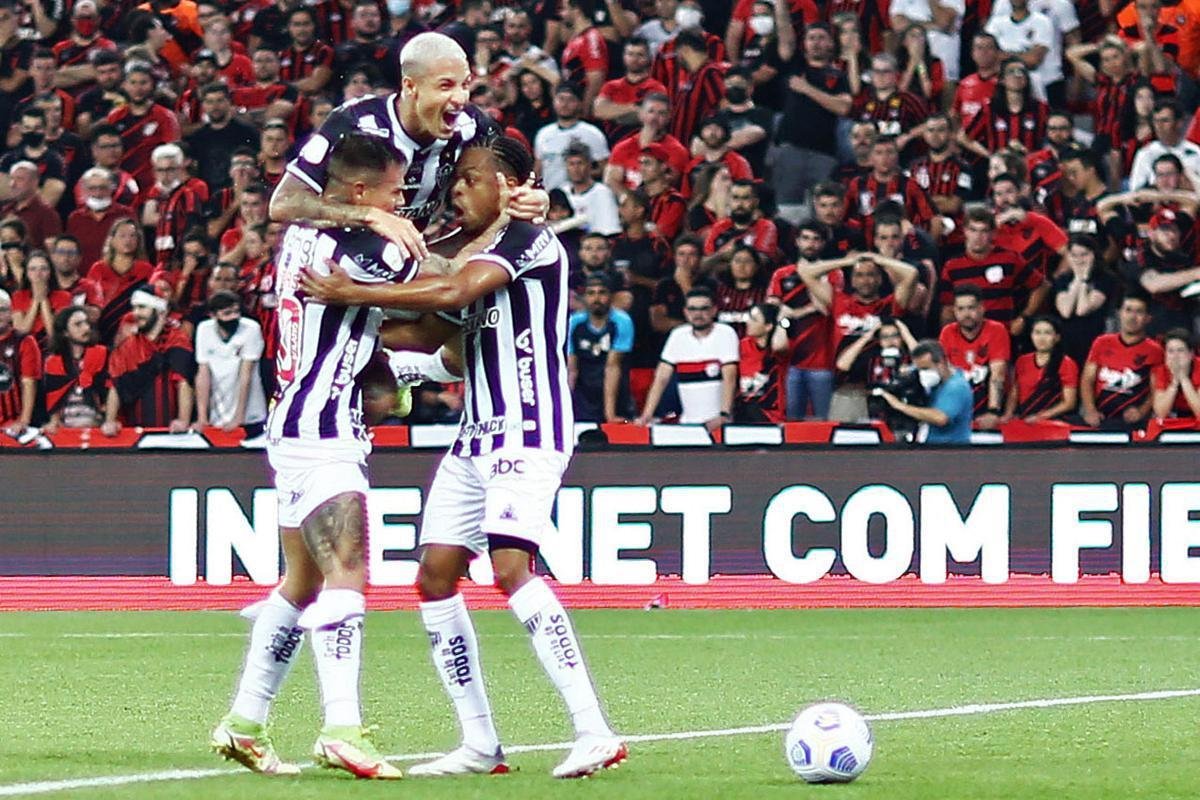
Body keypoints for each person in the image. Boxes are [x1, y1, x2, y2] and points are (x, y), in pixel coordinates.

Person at [300, 135, 627, 779]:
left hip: (529, 427)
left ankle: (595, 731)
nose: (458, 190)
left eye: (472, 179)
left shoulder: (529, 241)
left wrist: (351, 295)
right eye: (455, 181)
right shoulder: (469, 249)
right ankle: (480, 743)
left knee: (510, 567)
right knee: (435, 578)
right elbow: (437, 332)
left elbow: (452, 294)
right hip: (475, 434)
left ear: (511, 186)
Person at [211, 134, 420, 780]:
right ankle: (341, 727)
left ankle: (245, 721)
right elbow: (438, 281)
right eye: (394, 191)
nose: (403, 201)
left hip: (298, 419)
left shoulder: (303, 238)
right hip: (323, 429)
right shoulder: (364, 250)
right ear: (360, 194)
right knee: (348, 574)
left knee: (301, 582)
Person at [270, 32, 544, 261]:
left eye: (465, 85)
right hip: (336, 261)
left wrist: (534, 198)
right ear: (411, 86)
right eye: (446, 86)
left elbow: (518, 186)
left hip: (404, 263)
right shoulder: (355, 123)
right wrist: (369, 216)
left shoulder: (472, 126)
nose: (460, 98)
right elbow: (283, 204)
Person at [637, 287, 738, 429]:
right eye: (693, 309)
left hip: (719, 425)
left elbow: (730, 377)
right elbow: (661, 378)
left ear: (714, 310)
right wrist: (647, 414)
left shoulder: (725, 333)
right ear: (685, 312)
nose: (698, 314)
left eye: (704, 309)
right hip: (687, 423)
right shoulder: (678, 335)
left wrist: (724, 415)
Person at [102, 284, 196, 434]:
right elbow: (115, 386)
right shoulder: (126, 346)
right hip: (134, 434)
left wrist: (183, 420)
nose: (135, 313)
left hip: (171, 432)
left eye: (142, 307)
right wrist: (110, 421)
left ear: (159, 310)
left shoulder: (177, 340)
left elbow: (183, 382)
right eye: (134, 308)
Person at [1077, 293, 1164, 430]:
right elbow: (1087, 379)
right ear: (1119, 313)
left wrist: (1142, 411)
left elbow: (1157, 388)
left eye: (1139, 312)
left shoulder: (1155, 350)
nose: (1132, 317)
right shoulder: (1101, 342)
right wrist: (1090, 410)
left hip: (1132, 423)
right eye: (1128, 310)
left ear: (1148, 318)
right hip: (1100, 419)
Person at [192, 290, 267, 435]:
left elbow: (246, 375)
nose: (234, 317)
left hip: (250, 413)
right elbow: (203, 373)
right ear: (213, 315)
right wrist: (202, 417)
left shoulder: (251, 329)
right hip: (218, 412)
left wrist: (238, 417)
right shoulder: (204, 329)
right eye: (227, 313)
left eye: (236, 312)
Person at [939, 285, 1011, 429]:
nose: (966, 314)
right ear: (954, 311)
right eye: (961, 309)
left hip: (987, 401)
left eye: (971, 308)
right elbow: (942, 372)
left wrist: (993, 412)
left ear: (982, 308)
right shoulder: (947, 332)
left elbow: (998, 374)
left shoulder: (996, 330)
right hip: (958, 401)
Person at [876, 339, 974, 444]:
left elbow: (940, 418)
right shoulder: (936, 383)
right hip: (932, 444)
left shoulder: (956, 386)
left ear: (941, 362)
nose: (923, 374)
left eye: (926, 368)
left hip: (952, 448)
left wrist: (899, 405)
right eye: (920, 369)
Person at [568, 273, 635, 422]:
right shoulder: (574, 323)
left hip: (616, 393)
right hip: (583, 394)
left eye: (602, 292)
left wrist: (609, 414)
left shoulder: (622, 321)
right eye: (591, 293)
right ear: (584, 297)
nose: (596, 299)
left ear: (611, 296)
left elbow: (613, 367)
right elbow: (571, 369)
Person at [41, 306, 107, 433]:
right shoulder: (53, 362)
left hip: (99, 427)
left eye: (86, 323)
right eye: (78, 324)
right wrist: (54, 422)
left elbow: (110, 392)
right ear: (65, 332)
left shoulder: (103, 354)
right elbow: (54, 398)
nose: (86, 328)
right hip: (66, 429)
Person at [1001, 316, 1078, 422]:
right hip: (1025, 420)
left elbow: (1069, 403)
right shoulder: (1022, 360)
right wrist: (1008, 414)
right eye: (1037, 332)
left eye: (1047, 333)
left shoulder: (1066, 363)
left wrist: (1040, 417)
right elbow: (1015, 392)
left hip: (1053, 422)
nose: (1041, 338)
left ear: (1057, 337)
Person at [735, 301, 788, 422]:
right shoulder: (743, 345)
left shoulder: (778, 347)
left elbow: (779, 346)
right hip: (744, 410)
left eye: (754, 320)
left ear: (768, 326)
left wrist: (783, 320)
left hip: (771, 414)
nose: (748, 323)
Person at [0, 287, 41, 438]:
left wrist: (23, 420)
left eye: (2, 310)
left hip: (14, 424)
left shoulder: (24, 341)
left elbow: (29, 383)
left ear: (11, 313)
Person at [1151, 328, 1200, 419]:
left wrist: (1184, 379)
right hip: (1173, 420)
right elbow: (1160, 413)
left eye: (1180, 350)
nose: (1175, 356)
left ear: (1191, 354)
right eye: (1170, 351)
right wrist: (1175, 382)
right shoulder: (1161, 371)